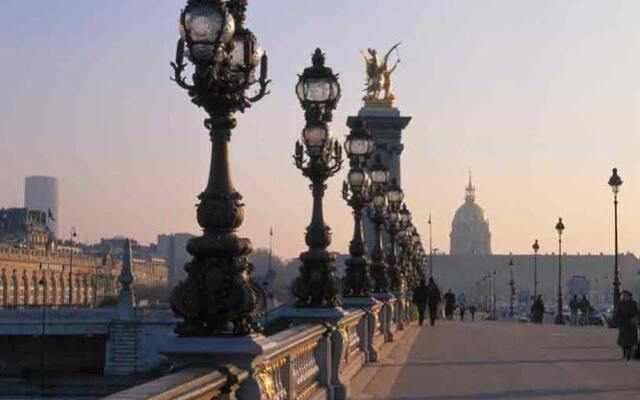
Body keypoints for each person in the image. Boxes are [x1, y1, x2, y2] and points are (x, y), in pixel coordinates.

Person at [615, 291, 638, 360]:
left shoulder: (634, 303)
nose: (625, 297)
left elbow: (637, 312)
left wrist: (635, 319)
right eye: (624, 295)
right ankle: (625, 354)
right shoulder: (620, 303)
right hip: (623, 324)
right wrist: (619, 320)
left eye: (626, 296)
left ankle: (629, 355)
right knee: (624, 342)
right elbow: (617, 313)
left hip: (631, 324)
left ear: (629, 296)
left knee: (631, 342)